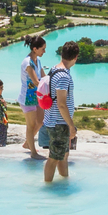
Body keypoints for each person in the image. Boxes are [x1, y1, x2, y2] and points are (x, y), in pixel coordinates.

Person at [41, 43, 76, 185]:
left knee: (63, 156)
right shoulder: (63, 76)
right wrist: (71, 125)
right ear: (75, 57)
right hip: (59, 123)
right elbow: (61, 104)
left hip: (52, 119)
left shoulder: (54, 70)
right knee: (54, 157)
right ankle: (47, 186)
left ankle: (64, 183)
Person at [19, 34, 49, 159]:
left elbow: (44, 76)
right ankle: (33, 152)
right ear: (35, 49)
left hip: (37, 96)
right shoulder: (28, 63)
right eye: (43, 49)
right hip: (27, 98)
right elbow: (37, 81)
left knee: (41, 121)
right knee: (30, 125)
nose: (44, 51)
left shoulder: (38, 60)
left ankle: (27, 143)